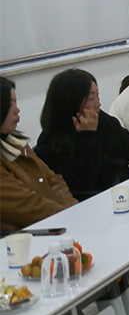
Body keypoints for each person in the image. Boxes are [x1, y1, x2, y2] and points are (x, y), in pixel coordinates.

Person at [34, 69, 129, 201]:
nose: (98, 104)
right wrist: (88, 136)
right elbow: (80, 183)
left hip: (126, 193)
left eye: (97, 95)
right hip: (91, 202)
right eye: (91, 98)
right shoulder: (51, 140)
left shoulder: (104, 121)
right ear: (71, 102)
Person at [1, 76, 78, 231]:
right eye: (10, 104)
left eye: (16, 102)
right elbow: (26, 205)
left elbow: (54, 180)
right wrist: (70, 217)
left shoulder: (16, 142)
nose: (17, 109)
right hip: (25, 235)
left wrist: (74, 210)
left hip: (56, 223)